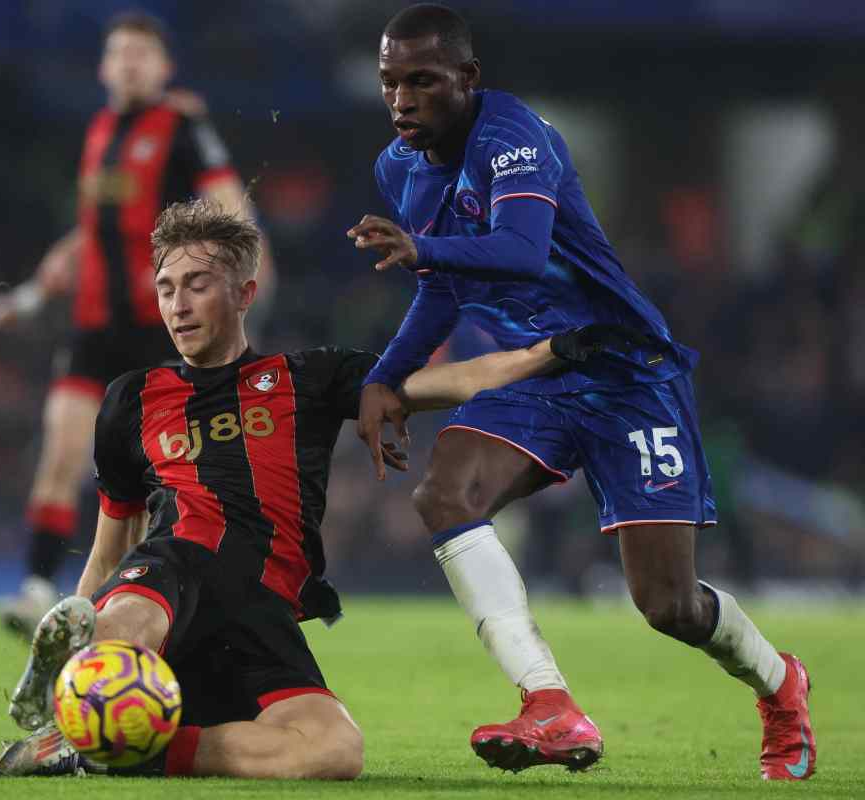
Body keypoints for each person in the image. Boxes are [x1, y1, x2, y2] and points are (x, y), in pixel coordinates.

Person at [0, 198, 636, 780]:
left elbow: (450, 381)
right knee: (127, 618)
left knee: (334, 752)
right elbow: (111, 546)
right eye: (165, 288)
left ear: (244, 294)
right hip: (171, 570)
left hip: (261, 612)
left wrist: (552, 350)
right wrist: (78, 630)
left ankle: (139, 751)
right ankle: (78, 705)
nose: (177, 305)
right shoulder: (131, 399)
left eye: (196, 285)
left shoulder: (311, 378)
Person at [347, 3, 814, 780]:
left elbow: (523, 252)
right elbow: (442, 287)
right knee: (443, 493)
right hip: (542, 369)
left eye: (422, 81)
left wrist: (422, 246)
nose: (402, 99)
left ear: (467, 79)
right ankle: (549, 704)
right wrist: (384, 377)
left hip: (628, 372)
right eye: (391, 81)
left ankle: (781, 684)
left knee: (669, 607)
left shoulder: (513, 137)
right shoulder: (399, 168)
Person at [0, 12, 272, 637]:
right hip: (93, 326)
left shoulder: (183, 126)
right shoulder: (101, 131)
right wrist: (31, 295)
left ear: (164, 68)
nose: (131, 63)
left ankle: (163, 588)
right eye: (121, 54)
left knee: (158, 471)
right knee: (61, 450)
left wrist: (237, 269)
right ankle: (35, 590)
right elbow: (91, 234)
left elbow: (227, 202)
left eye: (143, 54)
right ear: (104, 67)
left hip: (159, 327)